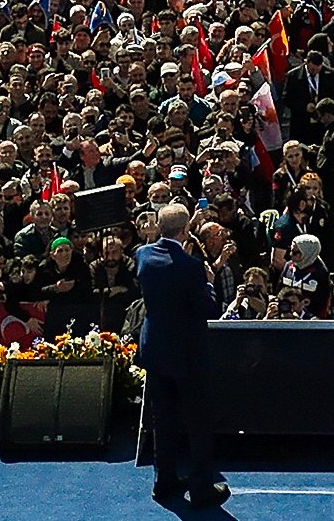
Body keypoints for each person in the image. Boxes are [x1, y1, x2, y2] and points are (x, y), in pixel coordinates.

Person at [135, 206, 225, 507]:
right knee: (198, 422)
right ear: (185, 231)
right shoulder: (191, 267)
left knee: (163, 419)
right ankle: (201, 489)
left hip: (156, 349)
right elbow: (207, 309)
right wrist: (209, 281)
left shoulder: (143, 256)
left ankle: (164, 481)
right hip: (187, 354)